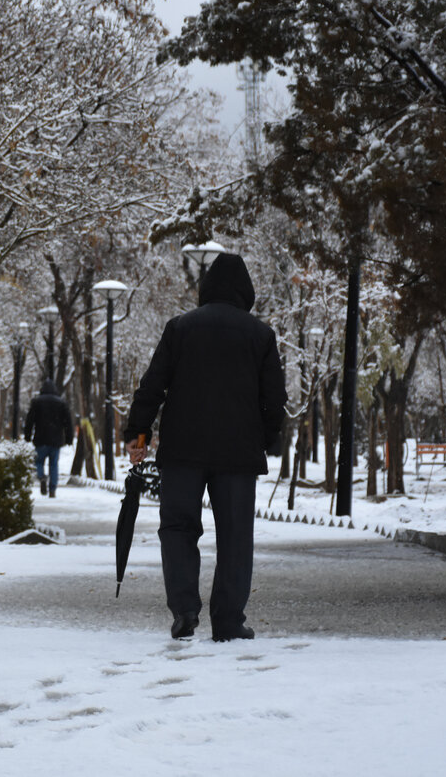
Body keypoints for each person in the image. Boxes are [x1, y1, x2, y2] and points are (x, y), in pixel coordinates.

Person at [122, 253, 286, 642]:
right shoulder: (259, 334)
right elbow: (274, 399)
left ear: (206, 287)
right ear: (246, 291)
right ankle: (228, 621)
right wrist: (264, 439)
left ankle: (183, 611)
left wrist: (137, 434)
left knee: (177, 528)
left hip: (183, 450)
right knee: (235, 535)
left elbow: (153, 386)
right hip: (238, 454)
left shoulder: (180, 328)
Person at [23, 378, 73, 498]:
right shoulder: (61, 403)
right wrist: (69, 438)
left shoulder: (36, 402)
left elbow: (30, 420)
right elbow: (68, 422)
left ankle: (42, 477)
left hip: (40, 438)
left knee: (39, 461)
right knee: (54, 464)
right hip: (56, 440)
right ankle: (52, 490)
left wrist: (27, 435)